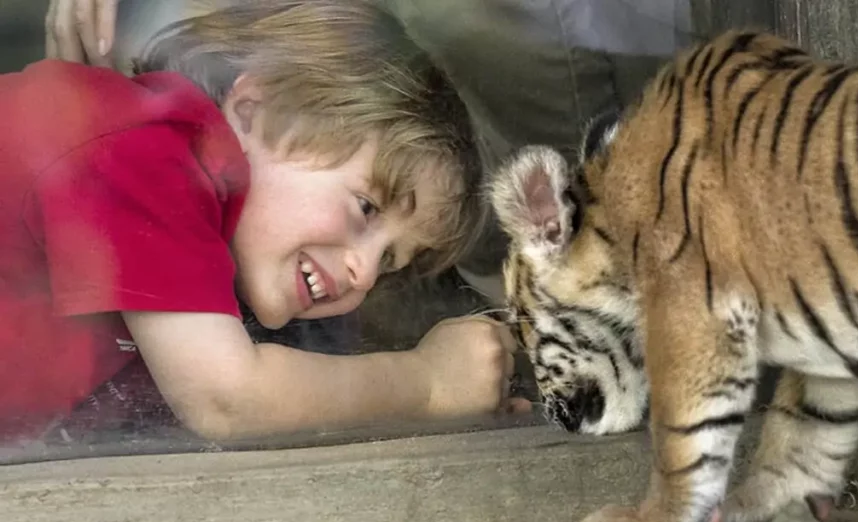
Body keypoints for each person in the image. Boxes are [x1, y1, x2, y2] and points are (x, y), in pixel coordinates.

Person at [1, 0, 527, 444]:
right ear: (254, 110)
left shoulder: (208, 251)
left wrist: (451, 411)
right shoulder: (143, 147)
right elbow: (227, 400)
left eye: (389, 260)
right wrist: (428, 385)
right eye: (366, 207)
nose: (364, 272)